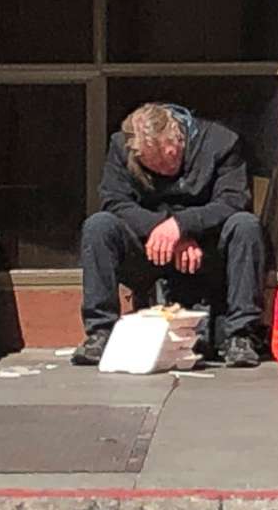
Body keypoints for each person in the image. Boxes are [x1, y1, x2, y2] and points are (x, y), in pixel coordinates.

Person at [75, 102, 268, 369]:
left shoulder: (221, 143)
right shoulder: (120, 147)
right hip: (149, 246)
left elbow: (233, 201)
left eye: (172, 157)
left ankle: (241, 336)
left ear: (179, 136)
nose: (166, 167)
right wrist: (162, 228)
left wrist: (183, 226)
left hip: (207, 247)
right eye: (154, 165)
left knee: (245, 226)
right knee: (99, 225)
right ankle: (100, 332)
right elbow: (115, 201)